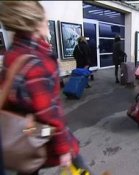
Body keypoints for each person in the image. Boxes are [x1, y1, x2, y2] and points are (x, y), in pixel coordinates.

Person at [0, 2, 90, 174]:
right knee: (76, 160)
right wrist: (64, 149)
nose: (48, 24)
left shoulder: (13, 53)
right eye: (46, 20)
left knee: (28, 165)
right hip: (36, 130)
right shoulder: (36, 62)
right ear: (35, 23)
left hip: (21, 129)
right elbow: (49, 112)